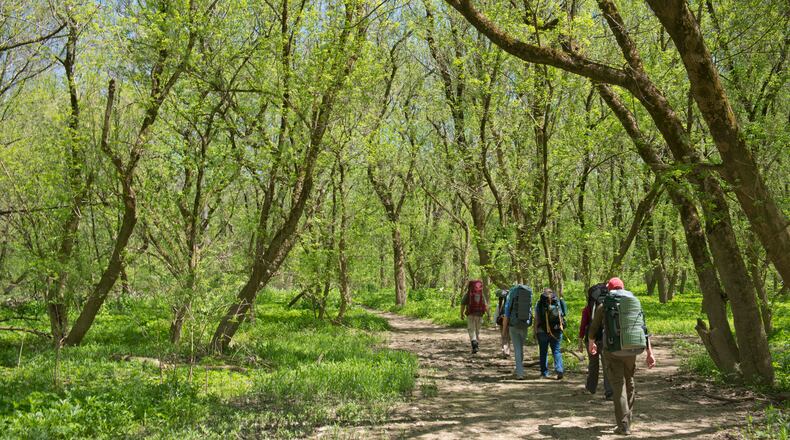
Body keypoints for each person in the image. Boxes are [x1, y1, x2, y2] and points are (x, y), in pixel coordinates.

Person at [588, 277, 656, 435]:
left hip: (612, 351)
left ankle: (624, 426)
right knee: (629, 381)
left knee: (618, 387)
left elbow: (593, 328)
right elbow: (643, 329)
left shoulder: (604, 305)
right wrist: (650, 353)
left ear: (609, 289)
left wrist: (592, 343)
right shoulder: (634, 303)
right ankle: (628, 420)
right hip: (632, 350)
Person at [579, 282, 613, 399]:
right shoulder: (608, 306)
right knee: (606, 365)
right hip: (606, 338)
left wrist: (580, 340)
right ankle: (610, 391)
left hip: (591, 338)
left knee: (593, 365)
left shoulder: (588, 309)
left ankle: (590, 389)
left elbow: (583, 325)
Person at [534, 288, 567, 379]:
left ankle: (544, 373)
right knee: (556, 351)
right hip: (556, 330)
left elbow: (537, 318)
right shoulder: (558, 302)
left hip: (542, 331)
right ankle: (559, 369)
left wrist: (535, 330)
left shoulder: (539, 303)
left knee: (543, 352)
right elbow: (563, 314)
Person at [501, 284, 533, 379]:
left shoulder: (511, 295)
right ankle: (519, 369)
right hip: (524, 325)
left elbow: (506, 314)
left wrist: (504, 331)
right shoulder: (528, 294)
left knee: (517, 349)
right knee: (521, 348)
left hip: (513, 325)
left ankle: (520, 373)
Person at [460, 279, 489, 354]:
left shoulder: (468, 294)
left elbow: (462, 304)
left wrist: (462, 314)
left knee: (471, 330)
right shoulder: (481, 295)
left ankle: (474, 345)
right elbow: (485, 305)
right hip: (480, 314)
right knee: (477, 331)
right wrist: (489, 315)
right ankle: (476, 345)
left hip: (470, 314)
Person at [494, 289, 511, 357]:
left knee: (504, 336)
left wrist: (495, 323)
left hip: (502, 322)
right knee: (508, 337)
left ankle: (504, 351)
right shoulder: (510, 304)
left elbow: (496, 314)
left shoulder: (499, 304)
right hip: (510, 322)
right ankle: (508, 351)